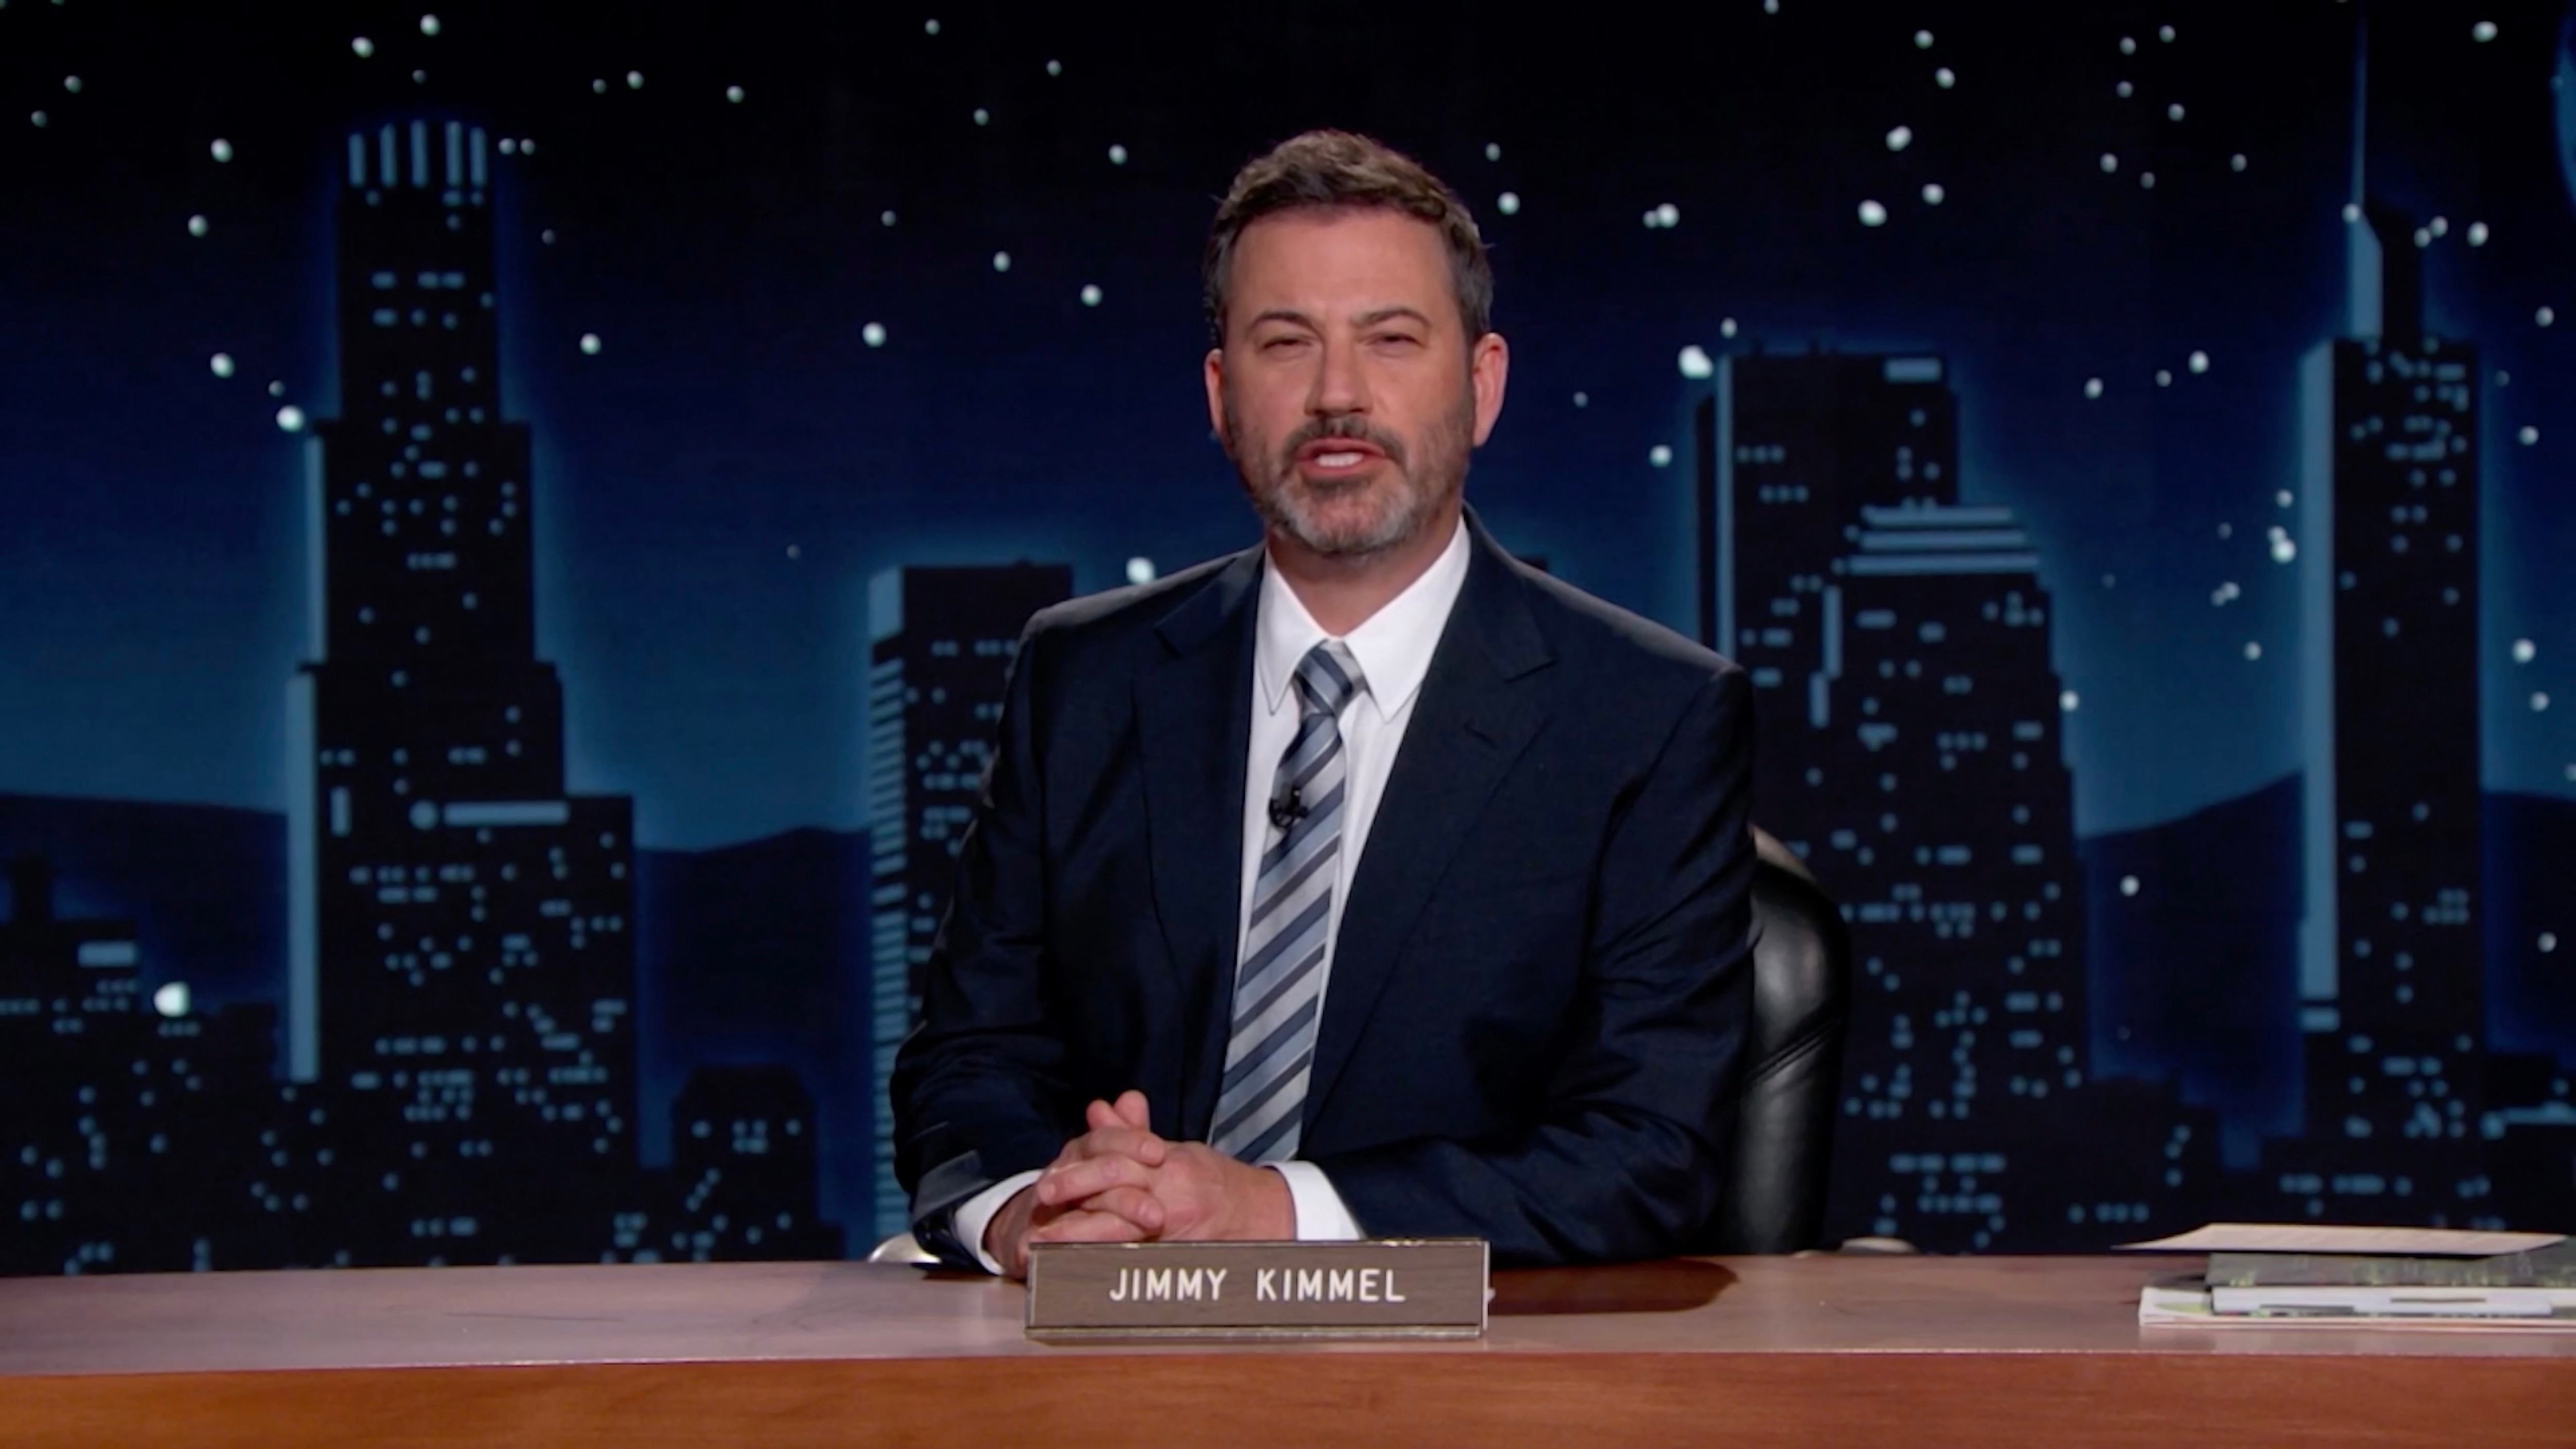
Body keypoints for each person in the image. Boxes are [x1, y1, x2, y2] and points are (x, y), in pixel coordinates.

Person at [891, 129, 1755, 1276]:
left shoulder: (1646, 716)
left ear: (1483, 383)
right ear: (1220, 394)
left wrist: (1268, 1214)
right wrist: (1028, 1213)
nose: (1336, 395)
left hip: (1477, 1387)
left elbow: (1646, 1153)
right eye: (1283, 343)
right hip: (1095, 1358)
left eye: (1391, 341)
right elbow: (968, 1056)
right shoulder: (1080, 680)